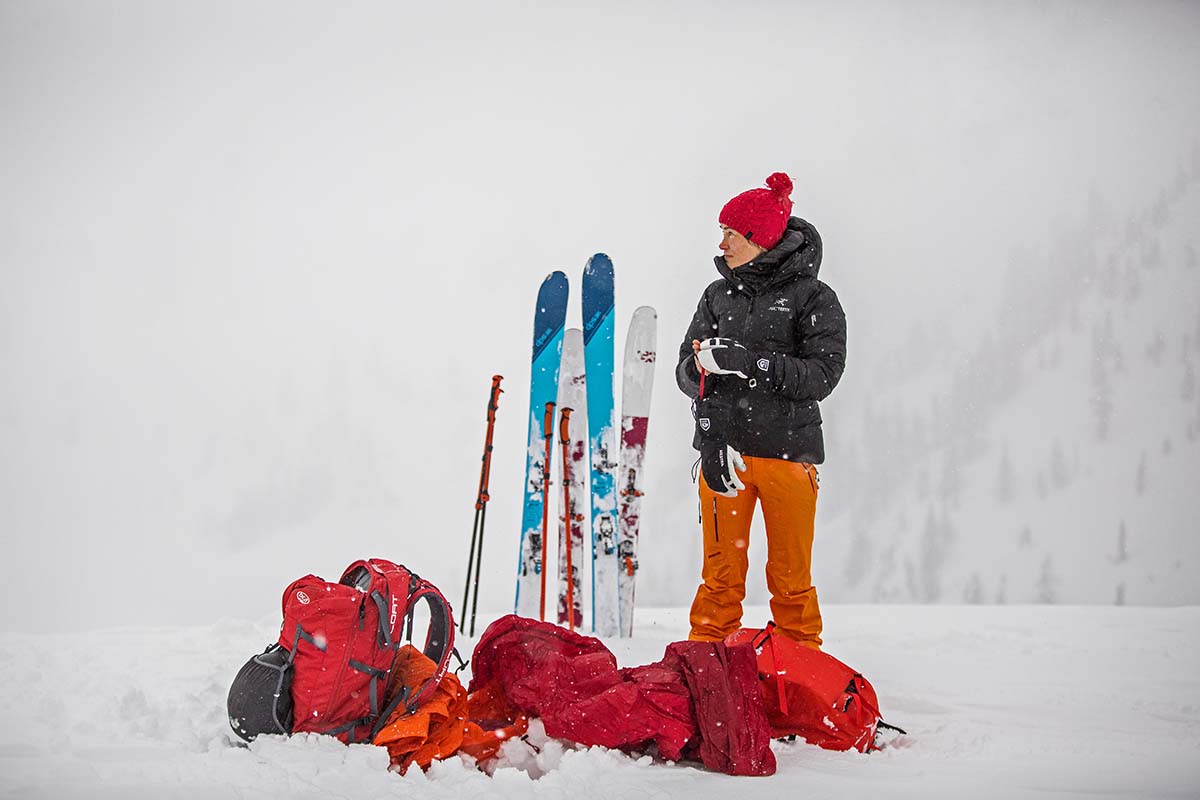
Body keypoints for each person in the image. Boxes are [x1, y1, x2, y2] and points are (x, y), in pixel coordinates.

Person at [675, 172, 846, 649]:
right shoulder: (716, 295)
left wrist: (749, 364)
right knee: (719, 584)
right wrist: (702, 371)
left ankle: (798, 686)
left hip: (788, 459)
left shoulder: (814, 298)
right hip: (721, 455)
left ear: (761, 238)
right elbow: (684, 373)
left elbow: (822, 376)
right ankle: (703, 678)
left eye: (732, 232)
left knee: (791, 583)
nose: (722, 242)